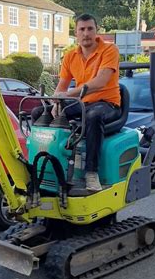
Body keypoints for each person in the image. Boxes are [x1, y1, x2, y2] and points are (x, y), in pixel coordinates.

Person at [32, 13, 121, 192]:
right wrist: (57, 103)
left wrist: (67, 95)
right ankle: (45, 165)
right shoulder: (70, 55)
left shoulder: (110, 50)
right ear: (76, 33)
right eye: (82, 29)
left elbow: (100, 82)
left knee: (93, 116)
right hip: (83, 104)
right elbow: (61, 86)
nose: (86, 33)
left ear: (97, 31)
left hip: (107, 103)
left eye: (90, 29)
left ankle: (91, 172)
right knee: (38, 113)